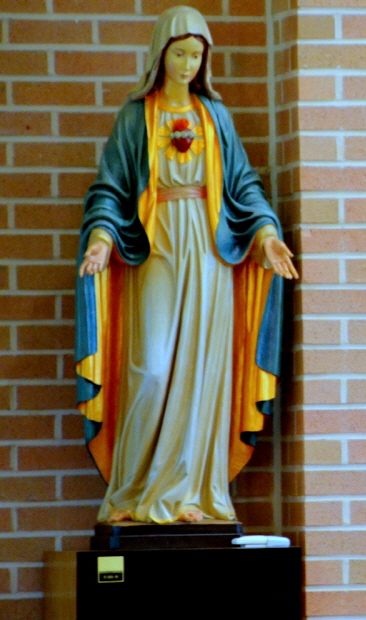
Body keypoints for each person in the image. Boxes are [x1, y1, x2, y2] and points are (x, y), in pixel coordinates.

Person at [75, 6, 298, 525]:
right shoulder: (137, 116)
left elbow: (243, 184)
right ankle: (131, 491)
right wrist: (102, 238)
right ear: (160, 55)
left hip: (210, 251)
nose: (188, 64)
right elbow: (110, 187)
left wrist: (266, 234)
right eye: (179, 54)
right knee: (151, 369)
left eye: (196, 56)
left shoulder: (213, 116)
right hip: (157, 246)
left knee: (202, 373)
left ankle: (191, 492)